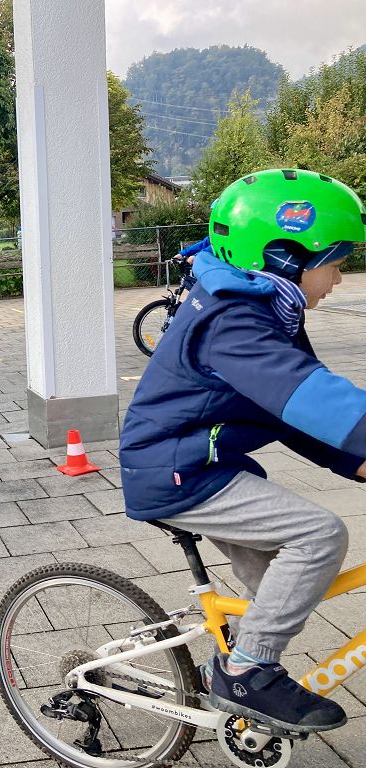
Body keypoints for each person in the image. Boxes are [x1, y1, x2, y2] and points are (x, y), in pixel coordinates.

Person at [119, 168, 366, 734]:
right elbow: (312, 397)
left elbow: (288, 409)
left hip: (204, 463)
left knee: (276, 591)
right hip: (179, 470)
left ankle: (231, 669)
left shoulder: (261, 307)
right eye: (335, 261)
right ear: (284, 256)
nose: (339, 277)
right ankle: (247, 672)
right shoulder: (233, 320)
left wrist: (354, 462)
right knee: (319, 536)